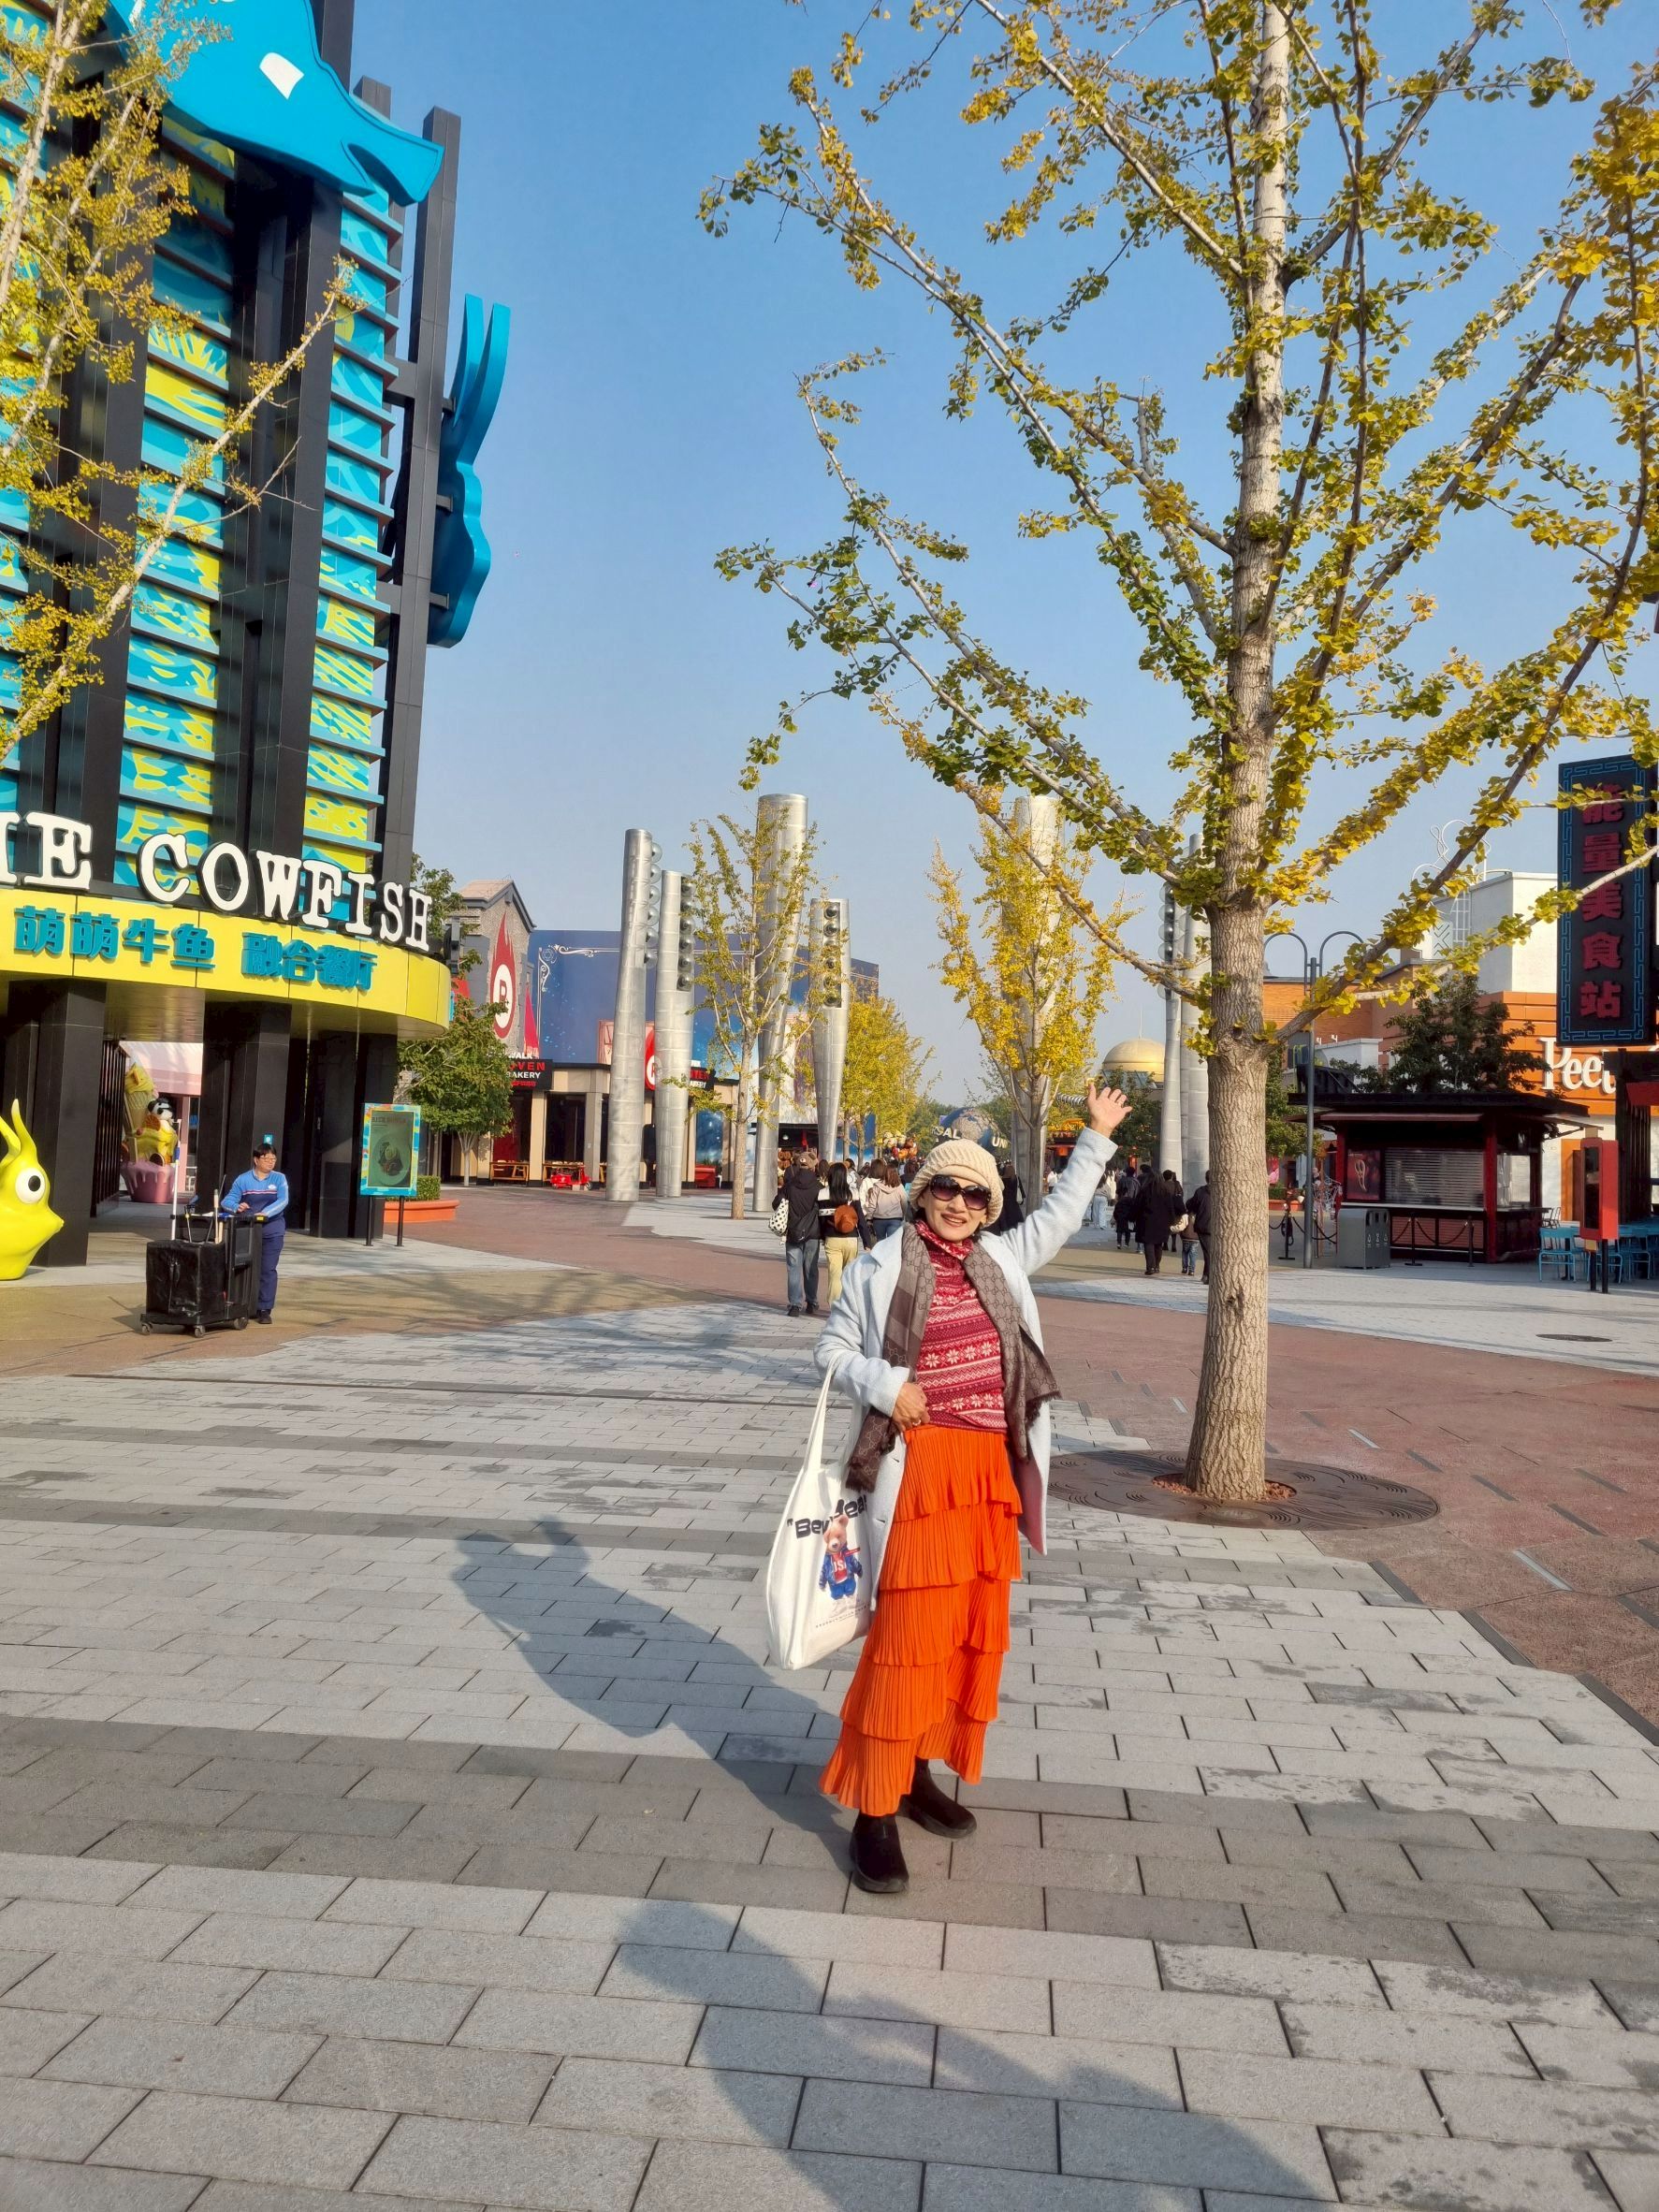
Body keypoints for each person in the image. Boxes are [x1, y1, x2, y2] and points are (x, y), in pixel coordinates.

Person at [814, 1082, 1130, 1894]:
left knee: (958, 1639)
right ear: (923, 1194)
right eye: (946, 1188)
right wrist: (886, 1385)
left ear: (989, 1207)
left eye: (975, 1193)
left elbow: (1061, 1213)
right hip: (918, 1474)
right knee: (904, 1643)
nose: (959, 1203)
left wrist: (1096, 1135)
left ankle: (916, 1774)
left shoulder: (1001, 1260)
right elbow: (830, 1351)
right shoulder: (881, 1267)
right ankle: (873, 1810)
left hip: (987, 1475)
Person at [221, 1137, 288, 1323]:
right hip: (248, 1231)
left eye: (273, 1158)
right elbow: (227, 1201)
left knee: (267, 1269)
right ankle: (242, 1304)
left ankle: (264, 1308)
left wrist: (264, 1214)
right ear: (256, 1160)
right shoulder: (243, 1179)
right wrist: (237, 1207)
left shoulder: (279, 1178)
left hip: (272, 1230)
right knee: (244, 1267)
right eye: (266, 1158)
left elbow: (283, 1200)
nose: (271, 1162)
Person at [781, 1146, 825, 1317]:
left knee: (793, 1268)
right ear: (813, 1166)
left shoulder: (790, 1186)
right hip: (813, 1233)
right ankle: (812, 1302)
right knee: (811, 1268)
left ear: (798, 1166)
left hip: (793, 1232)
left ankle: (795, 1304)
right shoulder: (819, 1187)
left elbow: (776, 1203)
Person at [821, 1161, 866, 1304]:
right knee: (849, 1275)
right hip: (851, 1238)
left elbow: (821, 1220)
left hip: (832, 1238)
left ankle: (834, 1306)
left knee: (834, 1275)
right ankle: (848, 1306)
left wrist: (822, 1237)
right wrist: (867, 1242)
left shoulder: (823, 1193)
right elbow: (860, 1218)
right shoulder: (853, 1194)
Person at [1129, 1164, 1180, 1275]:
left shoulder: (1145, 1190)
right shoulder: (1165, 1191)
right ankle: (1157, 1265)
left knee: (1149, 1243)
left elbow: (1137, 1205)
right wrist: (1172, 1220)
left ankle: (1150, 1266)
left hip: (1147, 1221)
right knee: (1158, 1244)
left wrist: (1132, 1217)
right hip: (1162, 1222)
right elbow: (1170, 1207)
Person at [864, 1159, 907, 1245]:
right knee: (893, 1243)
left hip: (879, 1219)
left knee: (880, 1243)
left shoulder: (877, 1186)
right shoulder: (899, 1187)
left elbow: (872, 1204)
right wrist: (903, 1214)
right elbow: (904, 1202)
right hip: (895, 1218)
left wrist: (869, 1218)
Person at [1187, 1171, 1213, 1282]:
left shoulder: (1201, 1191)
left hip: (1204, 1224)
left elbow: (1192, 1205)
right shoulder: (1223, 1191)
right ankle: (1206, 1274)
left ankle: (1208, 1275)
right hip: (1216, 1225)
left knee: (1208, 1251)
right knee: (1210, 1251)